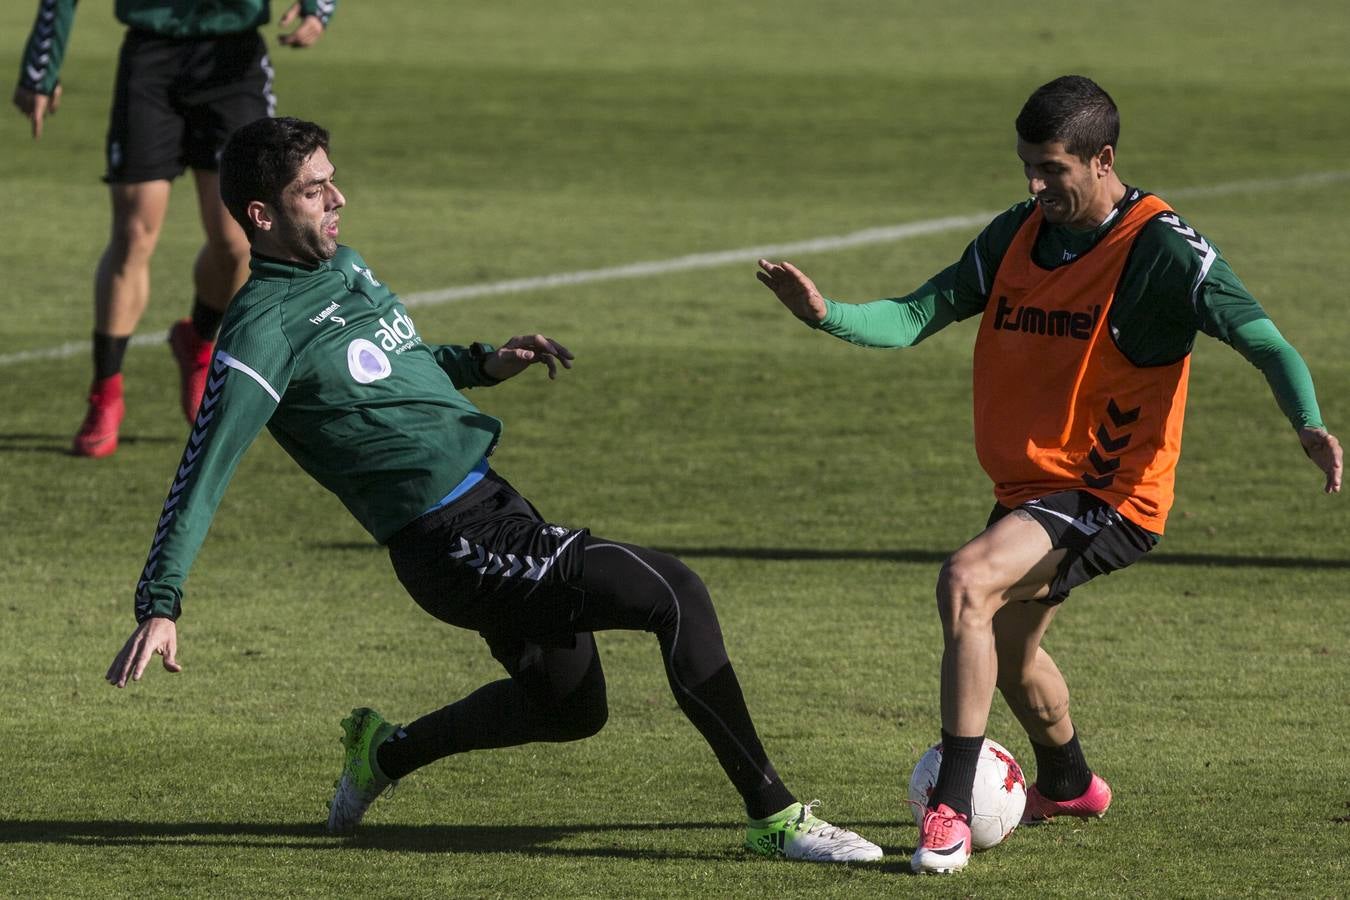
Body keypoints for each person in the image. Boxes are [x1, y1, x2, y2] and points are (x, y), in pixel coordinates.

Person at [103, 115, 883, 864]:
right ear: (261, 215)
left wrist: (484, 362)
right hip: (452, 545)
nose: (338, 200)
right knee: (673, 591)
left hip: (495, 505)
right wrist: (161, 603)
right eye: (315, 190)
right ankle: (775, 817)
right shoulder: (260, 332)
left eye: (334, 182)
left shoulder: (343, 266)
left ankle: (384, 752)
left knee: (570, 707)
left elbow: (398, 360)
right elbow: (203, 467)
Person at [757, 75, 1342, 875]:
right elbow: (918, 313)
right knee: (1008, 647)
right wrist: (829, 315)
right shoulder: (1017, 235)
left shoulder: (1163, 250)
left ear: (1104, 160)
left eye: (1052, 170)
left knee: (966, 582)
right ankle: (1068, 783)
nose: (1035, 185)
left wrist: (1306, 420)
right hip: (1030, 492)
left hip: (1110, 495)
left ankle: (950, 814)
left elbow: (1266, 342)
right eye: (1027, 166)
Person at [12, 0, 337, 458]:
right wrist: (39, 70)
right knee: (134, 233)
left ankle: (198, 339)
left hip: (233, 62)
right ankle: (105, 392)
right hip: (151, 59)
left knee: (236, 244)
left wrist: (318, 7)